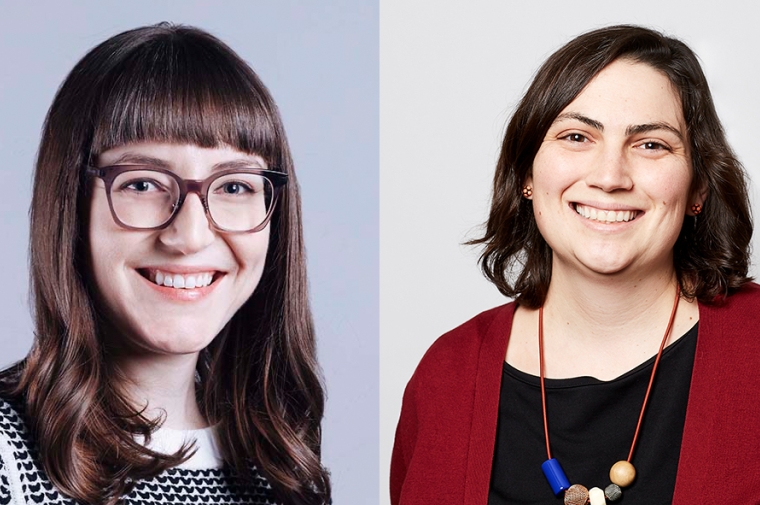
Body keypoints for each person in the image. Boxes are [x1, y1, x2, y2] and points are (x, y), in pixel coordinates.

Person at [390, 25, 759, 505]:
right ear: (526, 173)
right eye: (577, 136)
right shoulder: (446, 376)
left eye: (650, 144)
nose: (609, 177)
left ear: (698, 188)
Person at [0, 24, 330, 505]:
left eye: (234, 186)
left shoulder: (284, 473)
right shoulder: (9, 458)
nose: (189, 236)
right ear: (69, 202)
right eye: (142, 183)